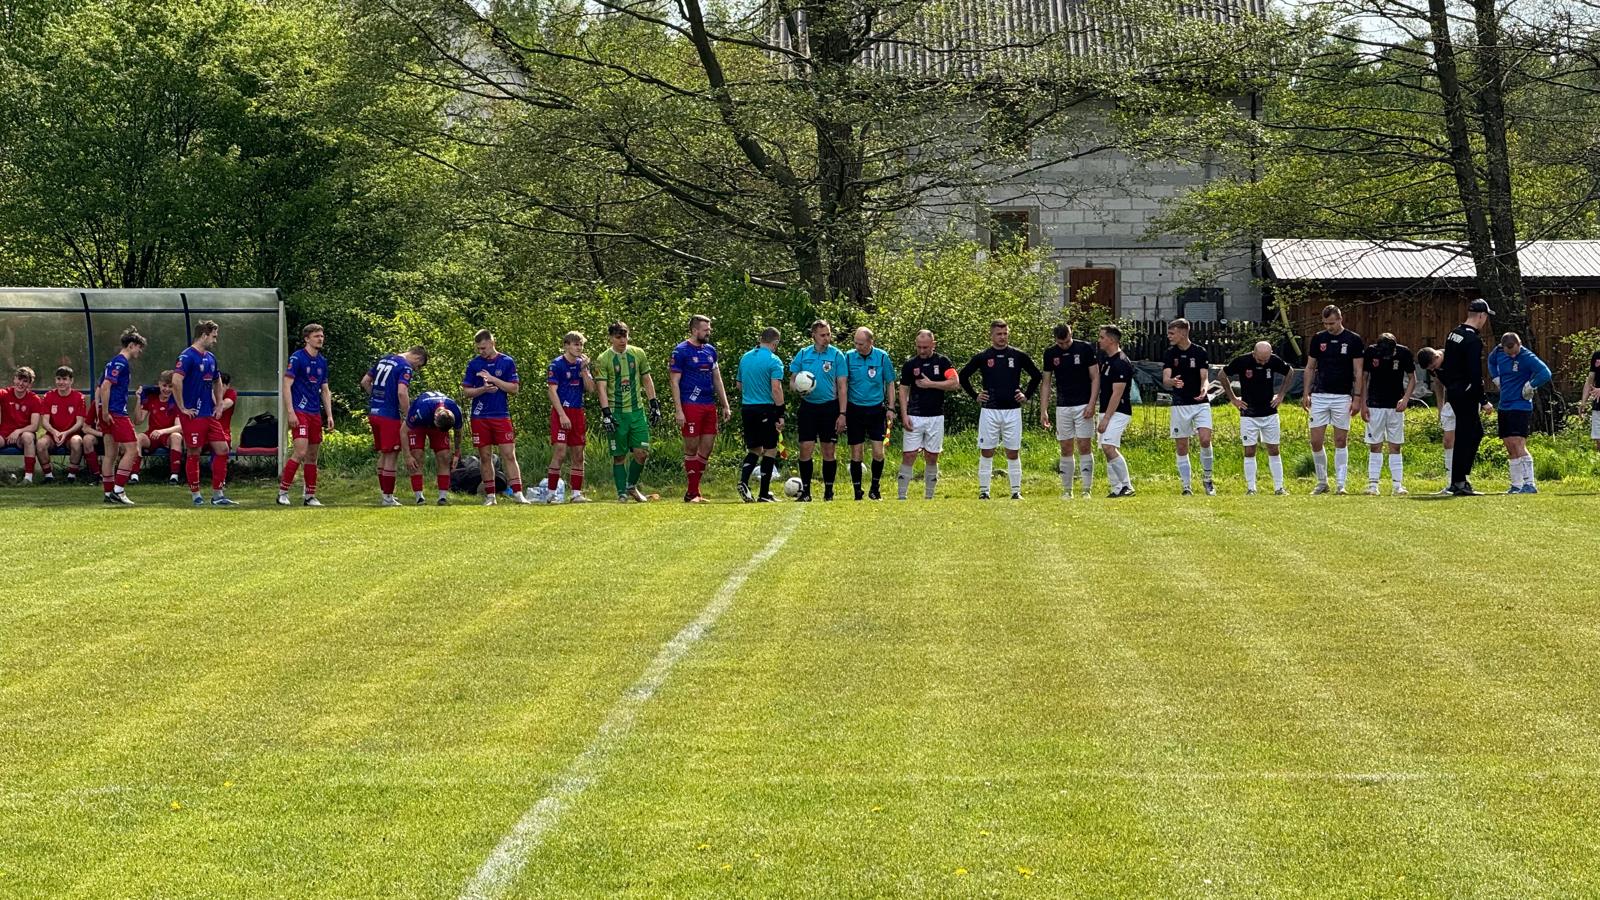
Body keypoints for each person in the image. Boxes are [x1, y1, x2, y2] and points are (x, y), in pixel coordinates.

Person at [960, 319, 1041, 500]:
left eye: (1005, 334)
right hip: (990, 410)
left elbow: (1036, 375)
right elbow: (963, 376)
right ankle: (984, 491)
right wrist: (975, 395)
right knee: (987, 450)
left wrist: (1026, 395)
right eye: (999, 334)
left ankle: (1015, 491)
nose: (1002, 337)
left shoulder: (1018, 355)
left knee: (1013, 451)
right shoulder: (983, 357)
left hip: (1012, 410)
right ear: (991, 335)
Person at [594, 321, 662, 503]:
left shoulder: (638, 353)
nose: (622, 341)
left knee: (642, 452)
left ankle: (631, 485)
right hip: (616, 413)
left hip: (636, 412)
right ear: (611, 338)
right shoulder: (603, 359)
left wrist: (654, 404)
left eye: (625, 336)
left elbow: (646, 379)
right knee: (619, 456)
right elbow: (601, 388)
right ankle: (621, 493)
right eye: (618, 337)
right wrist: (606, 413)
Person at [171, 320, 236, 506]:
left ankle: (218, 495)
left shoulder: (211, 358)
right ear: (204, 335)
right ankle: (196, 495)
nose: (215, 340)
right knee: (194, 452)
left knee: (223, 449)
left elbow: (217, 381)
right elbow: (176, 381)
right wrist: (182, 407)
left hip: (208, 413)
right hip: (193, 414)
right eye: (213, 336)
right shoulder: (187, 356)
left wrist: (219, 404)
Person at [1301, 305, 1364, 494]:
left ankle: (1341, 484)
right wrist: (1306, 392)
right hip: (1319, 395)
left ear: (1340, 319)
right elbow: (1310, 367)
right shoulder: (1318, 338)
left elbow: (1358, 370)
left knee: (1340, 440)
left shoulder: (1353, 339)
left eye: (1332, 323)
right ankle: (1322, 482)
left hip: (1342, 396)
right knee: (1315, 441)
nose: (1329, 327)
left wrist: (1357, 397)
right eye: (1326, 323)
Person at [669, 314, 731, 503]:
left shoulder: (711, 351)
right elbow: (674, 381)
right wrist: (678, 410)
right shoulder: (681, 351)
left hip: (708, 404)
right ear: (695, 330)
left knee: (707, 448)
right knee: (691, 447)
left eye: (709, 329)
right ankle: (693, 492)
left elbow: (717, 378)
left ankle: (693, 492)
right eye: (705, 330)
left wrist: (725, 404)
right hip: (690, 404)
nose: (708, 332)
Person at [464, 328, 529, 506]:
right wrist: (483, 389)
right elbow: (467, 392)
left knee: (509, 454)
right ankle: (490, 496)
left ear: (492, 343)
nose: (481, 351)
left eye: (484, 348)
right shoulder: (474, 364)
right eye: (478, 348)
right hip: (479, 416)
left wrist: (494, 380)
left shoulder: (507, 361)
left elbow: (514, 388)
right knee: (485, 456)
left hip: (500, 415)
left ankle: (518, 493)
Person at [1438, 299, 1495, 495]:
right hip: (1466, 392)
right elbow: (1474, 373)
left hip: (1454, 391)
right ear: (1481, 316)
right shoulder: (1473, 340)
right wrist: (1483, 400)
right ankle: (1460, 480)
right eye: (1486, 317)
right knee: (1469, 434)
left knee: (1470, 432)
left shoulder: (1453, 334)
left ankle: (1458, 479)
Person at [1220, 341, 1293, 495]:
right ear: (1254, 353)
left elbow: (1290, 371)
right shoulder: (1242, 361)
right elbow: (1222, 374)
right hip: (1248, 413)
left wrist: (1281, 395)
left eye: (1266, 360)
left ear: (1270, 354)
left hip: (1270, 412)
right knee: (1249, 450)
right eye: (1260, 360)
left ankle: (1279, 488)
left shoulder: (1274, 360)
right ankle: (1251, 488)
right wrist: (1233, 398)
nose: (1263, 363)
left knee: (1274, 449)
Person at [788, 320, 849, 501]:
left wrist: (842, 414)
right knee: (805, 448)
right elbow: (792, 381)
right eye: (823, 335)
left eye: (828, 334)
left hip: (829, 408)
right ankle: (806, 492)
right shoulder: (803, 354)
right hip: (808, 407)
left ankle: (828, 491)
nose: (826, 338)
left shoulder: (836, 355)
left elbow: (842, 386)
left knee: (828, 450)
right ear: (813, 335)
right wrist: (797, 388)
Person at [1039, 323, 1100, 499]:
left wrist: (1092, 403)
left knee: (1084, 445)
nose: (1064, 345)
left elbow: (1095, 377)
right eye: (1061, 343)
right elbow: (1046, 383)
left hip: (1083, 404)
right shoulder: (1050, 353)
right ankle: (1067, 490)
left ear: (1071, 334)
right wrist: (1044, 410)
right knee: (1065, 446)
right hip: (1063, 406)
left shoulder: (1085, 348)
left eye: (1067, 341)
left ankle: (1086, 489)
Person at [897, 329, 960, 500]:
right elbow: (903, 390)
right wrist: (904, 415)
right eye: (919, 347)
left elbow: (955, 383)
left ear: (933, 344)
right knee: (909, 454)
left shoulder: (942, 362)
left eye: (925, 347)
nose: (922, 350)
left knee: (932, 456)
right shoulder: (910, 364)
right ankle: (901, 496)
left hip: (935, 416)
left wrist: (931, 384)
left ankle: (929, 497)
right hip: (914, 415)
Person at [1486, 332, 1552, 494]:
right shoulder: (1498, 352)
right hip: (1504, 405)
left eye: (1515, 352)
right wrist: (1495, 377)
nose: (1513, 356)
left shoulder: (1527, 357)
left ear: (1519, 344)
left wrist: (1531, 385)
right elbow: (1491, 361)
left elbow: (1545, 373)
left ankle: (1530, 483)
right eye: (1510, 354)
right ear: (1503, 348)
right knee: (1509, 444)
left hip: (1520, 405)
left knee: (1518, 442)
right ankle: (1516, 484)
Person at [362, 345, 427, 506]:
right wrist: (408, 415)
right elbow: (401, 392)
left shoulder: (384, 359)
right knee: (392, 454)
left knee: (383, 455)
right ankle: (388, 497)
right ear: (417, 357)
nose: (416, 369)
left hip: (374, 412)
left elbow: (365, 382)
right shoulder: (405, 367)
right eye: (418, 366)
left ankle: (385, 493)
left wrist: (376, 398)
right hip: (389, 415)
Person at [279, 323, 334, 507]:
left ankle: (310, 495)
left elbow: (325, 389)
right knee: (300, 451)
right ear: (307, 339)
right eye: (317, 336)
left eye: (322, 336)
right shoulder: (297, 358)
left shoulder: (322, 361)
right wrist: (290, 411)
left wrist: (329, 415)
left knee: (312, 456)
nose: (320, 339)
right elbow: (286, 385)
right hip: (300, 411)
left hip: (314, 412)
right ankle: (283, 492)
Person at [1161, 318, 1214, 495]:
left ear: (1183, 332)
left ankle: (1208, 479)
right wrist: (1172, 381)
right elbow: (1165, 380)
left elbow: (1204, 377)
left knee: (1205, 439)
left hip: (1200, 403)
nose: (1169, 336)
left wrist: (1204, 388)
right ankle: (1186, 486)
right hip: (1180, 404)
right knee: (1182, 446)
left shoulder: (1199, 352)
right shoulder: (1170, 353)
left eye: (1172, 333)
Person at [843, 327, 896, 500]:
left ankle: (875, 488)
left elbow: (890, 383)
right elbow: (842, 383)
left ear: (871, 342)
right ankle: (857, 491)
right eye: (856, 343)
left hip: (876, 409)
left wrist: (891, 408)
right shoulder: (848, 357)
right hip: (855, 409)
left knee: (878, 452)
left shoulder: (882, 357)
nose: (857, 347)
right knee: (856, 452)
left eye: (861, 344)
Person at [1359, 333, 1414, 496]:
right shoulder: (1371, 352)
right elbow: (1364, 378)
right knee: (1375, 445)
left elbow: (1412, 378)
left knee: (1395, 445)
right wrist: (1363, 404)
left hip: (1395, 406)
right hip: (1374, 405)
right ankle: (1373, 485)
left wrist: (1405, 399)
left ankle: (1397, 485)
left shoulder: (1404, 353)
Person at [736, 327, 787, 502]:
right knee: (770, 449)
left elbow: (739, 385)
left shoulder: (745, 357)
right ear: (775, 343)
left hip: (747, 408)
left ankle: (744, 481)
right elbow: (776, 388)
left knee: (755, 449)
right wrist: (780, 414)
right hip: (765, 408)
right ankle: (764, 493)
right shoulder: (774, 360)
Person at [545, 331, 595, 504]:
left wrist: (585, 370)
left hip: (577, 411)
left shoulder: (582, 364)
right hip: (562, 411)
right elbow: (552, 392)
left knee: (579, 454)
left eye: (581, 345)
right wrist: (562, 415)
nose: (579, 348)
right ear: (566, 345)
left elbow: (591, 389)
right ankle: (551, 494)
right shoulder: (556, 365)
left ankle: (576, 494)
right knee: (560, 452)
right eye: (575, 344)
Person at [97, 328, 147, 505]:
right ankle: (119, 490)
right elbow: (105, 386)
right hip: (116, 412)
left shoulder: (112, 362)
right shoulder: (120, 362)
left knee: (110, 454)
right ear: (131, 345)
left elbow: (98, 388)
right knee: (132, 449)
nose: (140, 351)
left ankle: (108, 493)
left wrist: (100, 411)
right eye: (139, 347)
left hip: (108, 411)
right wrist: (105, 412)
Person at [1097, 325, 1137, 497]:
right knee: (1106, 449)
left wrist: (1106, 418)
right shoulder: (1107, 360)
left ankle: (1127, 486)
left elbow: (1117, 393)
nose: (1099, 340)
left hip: (1119, 411)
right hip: (1106, 410)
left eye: (1102, 337)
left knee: (1108, 446)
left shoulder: (1121, 362)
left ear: (1112, 340)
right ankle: (1116, 488)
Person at [405, 389, 464, 504]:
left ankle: (442, 497)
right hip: (419, 423)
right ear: (435, 417)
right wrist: (407, 456)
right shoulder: (420, 409)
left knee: (445, 456)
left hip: (439, 421)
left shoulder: (455, 410)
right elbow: (403, 431)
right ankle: (419, 497)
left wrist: (457, 453)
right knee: (417, 455)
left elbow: (458, 432)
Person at [35, 366, 85, 483]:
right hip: (53, 434)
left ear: (71, 380)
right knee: (41, 444)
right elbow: (45, 421)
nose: (61, 382)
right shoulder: (48, 396)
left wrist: (66, 433)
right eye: (58, 379)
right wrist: (54, 432)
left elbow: (80, 422)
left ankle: (71, 476)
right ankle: (49, 476)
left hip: (71, 434)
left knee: (77, 441)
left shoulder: (79, 397)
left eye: (64, 379)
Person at [137, 372, 183, 484]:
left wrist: (162, 431)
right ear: (159, 384)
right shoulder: (152, 398)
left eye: (170, 386)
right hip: (152, 435)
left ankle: (174, 476)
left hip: (167, 436)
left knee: (177, 436)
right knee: (138, 438)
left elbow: (179, 427)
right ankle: (134, 475)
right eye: (164, 386)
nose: (167, 389)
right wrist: (138, 400)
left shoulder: (177, 401)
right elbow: (138, 421)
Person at [1, 366, 42, 483]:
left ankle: (28, 478)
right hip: (4, 433)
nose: (21, 383)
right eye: (19, 379)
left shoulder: (34, 399)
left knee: (28, 437)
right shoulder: (4, 394)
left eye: (25, 381)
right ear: (14, 379)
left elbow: (34, 426)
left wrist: (18, 431)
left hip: (22, 435)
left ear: (30, 384)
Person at [1583, 346, 1600, 453]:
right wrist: (1583, 402)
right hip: (1598, 404)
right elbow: (1590, 380)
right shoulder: (1597, 355)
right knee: (1598, 440)